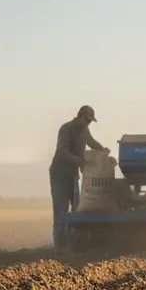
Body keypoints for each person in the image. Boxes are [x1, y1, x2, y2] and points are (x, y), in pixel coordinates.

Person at [49, 105, 108, 248]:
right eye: (87, 120)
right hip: (60, 174)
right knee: (61, 208)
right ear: (80, 116)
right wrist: (80, 161)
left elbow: (92, 143)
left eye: (90, 122)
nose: (88, 124)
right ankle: (59, 243)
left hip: (73, 174)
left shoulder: (84, 130)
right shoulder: (66, 129)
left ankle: (71, 241)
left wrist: (102, 149)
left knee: (76, 207)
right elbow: (62, 152)